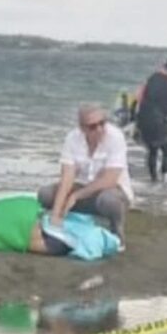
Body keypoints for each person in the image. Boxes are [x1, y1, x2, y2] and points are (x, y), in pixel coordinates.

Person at [37, 103, 133, 248]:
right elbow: (67, 177)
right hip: (82, 187)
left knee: (109, 200)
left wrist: (76, 196)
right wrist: (56, 213)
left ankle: (117, 233)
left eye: (102, 123)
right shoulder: (72, 138)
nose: (99, 129)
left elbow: (110, 179)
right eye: (93, 126)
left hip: (111, 190)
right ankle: (63, 222)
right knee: (45, 194)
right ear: (82, 128)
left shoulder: (115, 137)